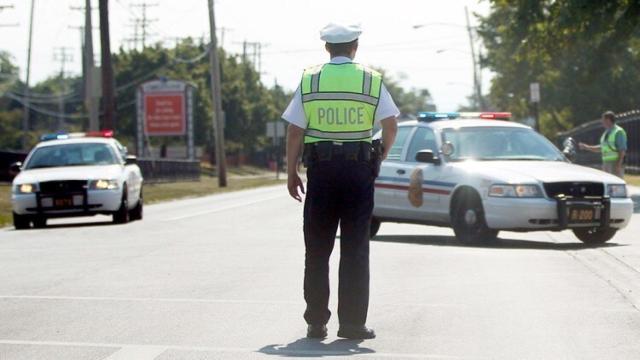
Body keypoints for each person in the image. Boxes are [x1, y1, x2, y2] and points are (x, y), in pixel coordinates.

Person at [282, 22, 399, 340]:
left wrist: (291, 172)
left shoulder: (311, 79)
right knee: (355, 248)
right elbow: (390, 125)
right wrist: (380, 157)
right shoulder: (370, 80)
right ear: (355, 47)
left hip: (321, 174)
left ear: (327, 48)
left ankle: (316, 322)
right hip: (359, 173)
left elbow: (295, 130)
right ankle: (351, 324)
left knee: (317, 249)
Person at [579, 111, 627, 178]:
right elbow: (602, 147)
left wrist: (618, 165)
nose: (602, 122)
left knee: (616, 186)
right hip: (606, 163)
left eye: (603, 120)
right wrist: (586, 147)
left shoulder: (618, 132)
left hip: (615, 163)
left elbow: (622, 150)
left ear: (608, 120)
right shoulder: (606, 133)